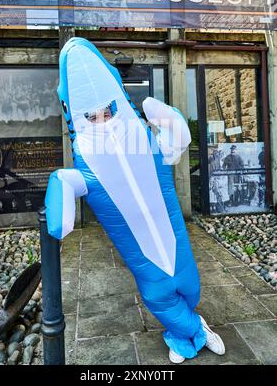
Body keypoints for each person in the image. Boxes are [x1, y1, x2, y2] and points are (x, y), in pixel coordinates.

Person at [45, 38, 225, 364]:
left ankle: (181, 334)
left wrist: (168, 119)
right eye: (93, 116)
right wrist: (59, 194)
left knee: (190, 287)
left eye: (108, 111)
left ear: (120, 102)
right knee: (159, 295)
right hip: (143, 260)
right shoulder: (88, 165)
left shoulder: (146, 142)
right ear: (77, 117)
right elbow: (67, 183)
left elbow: (176, 143)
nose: (103, 120)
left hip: (176, 243)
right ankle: (196, 331)